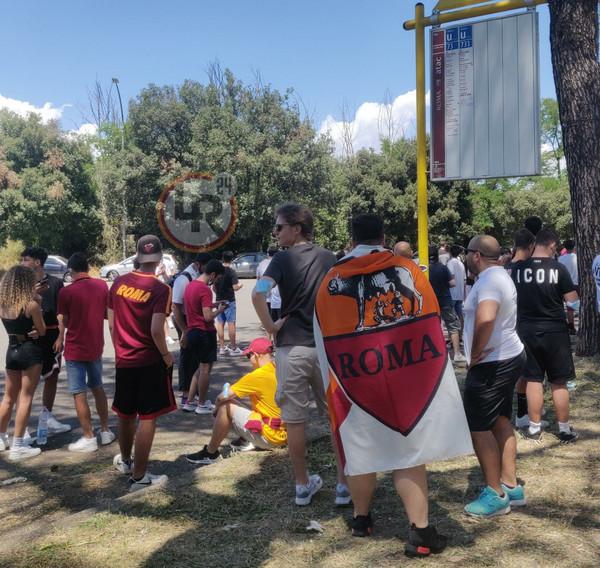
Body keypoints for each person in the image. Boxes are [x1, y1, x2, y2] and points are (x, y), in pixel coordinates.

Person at [314, 214, 472, 557]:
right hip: (404, 376)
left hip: (355, 380)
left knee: (360, 449)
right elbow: (429, 324)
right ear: (383, 236)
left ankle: (361, 519)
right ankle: (420, 534)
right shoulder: (408, 268)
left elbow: (323, 341)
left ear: (352, 238)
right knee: (407, 452)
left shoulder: (331, 279)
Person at [252, 202, 349, 507]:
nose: (275, 232)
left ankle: (302, 486)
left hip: (290, 348)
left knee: (294, 422)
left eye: (279, 226)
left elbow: (258, 294)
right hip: (324, 348)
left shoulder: (281, 259)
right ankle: (344, 485)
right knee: (336, 418)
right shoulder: (329, 257)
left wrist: (271, 326)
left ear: (296, 228)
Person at [462, 235, 527, 517]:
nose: (465, 257)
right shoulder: (500, 275)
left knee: (478, 426)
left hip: (493, 363)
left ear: (476, 256)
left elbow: (487, 318)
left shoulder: (488, 281)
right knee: (500, 419)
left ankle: (496, 495)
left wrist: (475, 354)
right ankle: (511, 486)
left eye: (467, 253)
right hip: (508, 357)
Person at [109, 235, 176, 491]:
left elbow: (113, 325)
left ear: (137, 256)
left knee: (125, 413)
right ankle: (139, 477)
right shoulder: (161, 289)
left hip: (123, 359)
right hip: (149, 360)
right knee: (147, 416)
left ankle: (126, 461)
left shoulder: (117, 283)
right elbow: (157, 330)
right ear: (160, 258)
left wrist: (120, 350)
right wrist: (166, 356)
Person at [511, 229, 579, 443]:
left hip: (528, 329)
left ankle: (534, 427)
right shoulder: (558, 268)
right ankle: (565, 429)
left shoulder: (519, 269)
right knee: (559, 381)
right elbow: (573, 302)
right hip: (555, 331)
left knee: (533, 379)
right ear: (552, 245)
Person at [186, 337, 287, 463]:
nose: (249, 360)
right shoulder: (278, 368)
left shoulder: (257, 376)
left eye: (248, 356)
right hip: (284, 433)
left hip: (270, 437)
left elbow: (221, 397)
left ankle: (210, 453)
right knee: (249, 405)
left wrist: (216, 410)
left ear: (255, 355)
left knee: (225, 406)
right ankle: (246, 440)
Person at [55, 253, 115, 452]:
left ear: (70, 270)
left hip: (75, 348)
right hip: (96, 345)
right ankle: (105, 430)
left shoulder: (67, 292)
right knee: (97, 387)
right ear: (88, 269)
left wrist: (59, 339)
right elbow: (108, 314)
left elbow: (63, 319)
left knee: (78, 392)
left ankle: (89, 437)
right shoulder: (101, 286)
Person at [20, 247, 71, 436]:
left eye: (25, 259)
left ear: (37, 262)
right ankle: (22, 428)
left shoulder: (56, 283)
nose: (22, 263)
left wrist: (60, 336)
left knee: (52, 377)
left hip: (51, 336)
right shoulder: (21, 286)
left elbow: (61, 313)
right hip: (30, 338)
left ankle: (47, 416)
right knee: (27, 384)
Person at [0, 265, 46, 460]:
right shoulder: (31, 305)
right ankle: (18, 445)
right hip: (29, 351)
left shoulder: (2, 303)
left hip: (11, 350)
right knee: (25, 398)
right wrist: (39, 302)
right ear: (27, 283)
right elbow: (42, 330)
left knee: (8, 398)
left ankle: (2, 438)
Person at [182, 259, 227, 414]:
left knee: (199, 368)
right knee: (206, 369)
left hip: (193, 331)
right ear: (213, 274)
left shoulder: (190, 285)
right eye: (217, 279)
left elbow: (197, 307)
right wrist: (220, 310)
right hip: (204, 332)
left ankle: (190, 401)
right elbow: (208, 317)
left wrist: (214, 304)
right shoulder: (205, 289)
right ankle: (202, 403)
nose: (216, 282)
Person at [171, 252, 213, 405]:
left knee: (194, 355)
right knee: (187, 355)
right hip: (183, 319)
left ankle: (192, 392)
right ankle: (185, 394)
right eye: (205, 267)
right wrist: (184, 330)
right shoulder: (184, 278)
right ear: (197, 264)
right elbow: (175, 306)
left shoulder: (196, 275)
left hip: (192, 318)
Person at [428, 246, 465, 363]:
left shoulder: (425, 269)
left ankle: (436, 354)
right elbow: (453, 283)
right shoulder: (443, 268)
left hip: (432, 303)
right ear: (437, 256)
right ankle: (457, 354)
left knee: (434, 327)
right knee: (453, 327)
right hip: (445, 301)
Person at [214, 251, 243, 356]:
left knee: (220, 323)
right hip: (229, 300)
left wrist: (219, 294)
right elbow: (235, 287)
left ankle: (222, 347)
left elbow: (213, 287)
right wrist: (240, 285)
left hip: (219, 300)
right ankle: (234, 348)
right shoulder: (231, 272)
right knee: (231, 323)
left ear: (222, 258)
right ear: (231, 259)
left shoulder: (217, 271)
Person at [256, 246, 282, 332]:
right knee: (278, 322)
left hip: (265, 297)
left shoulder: (262, 264)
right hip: (278, 298)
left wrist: (264, 291)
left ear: (268, 254)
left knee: (270, 323)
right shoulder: (278, 263)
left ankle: (269, 342)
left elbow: (258, 281)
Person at [558, 239, 578, 335]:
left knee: (569, 308)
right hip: (577, 283)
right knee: (579, 306)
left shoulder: (561, 259)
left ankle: (571, 327)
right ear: (574, 247)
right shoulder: (578, 257)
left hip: (565, 284)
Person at [447, 245, 466, 343]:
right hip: (460, 293)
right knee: (460, 315)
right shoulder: (461, 264)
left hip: (452, 293)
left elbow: (451, 277)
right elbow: (464, 280)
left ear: (450, 253)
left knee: (451, 316)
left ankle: (451, 338)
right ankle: (460, 336)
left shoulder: (450, 263)